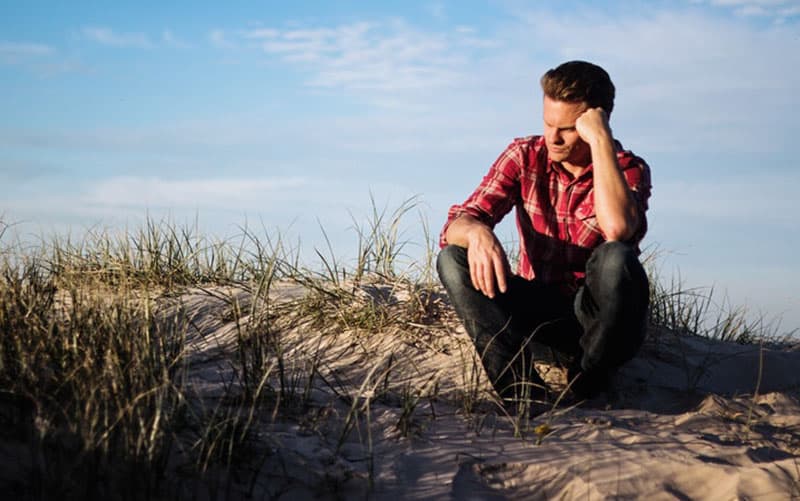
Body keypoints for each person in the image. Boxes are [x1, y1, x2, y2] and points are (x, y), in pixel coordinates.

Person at [437, 61, 651, 406]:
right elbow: (457, 222)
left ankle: (587, 386)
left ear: (597, 122)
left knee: (617, 257)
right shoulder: (525, 155)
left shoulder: (627, 167)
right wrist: (476, 232)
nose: (553, 137)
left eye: (567, 128)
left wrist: (600, 141)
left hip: (604, 323)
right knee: (452, 258)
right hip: (541, 313)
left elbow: (618, 229)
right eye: (548, 123)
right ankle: (523, 397)